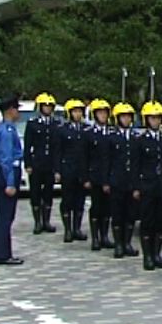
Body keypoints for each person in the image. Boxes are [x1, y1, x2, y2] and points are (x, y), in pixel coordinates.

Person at [135, 100, 162, 271]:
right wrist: (136, 187)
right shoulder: (140, 140)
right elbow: (136, 166)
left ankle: (157, 253)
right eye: (152, 118)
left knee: (161, 221)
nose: (155, 121)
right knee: (148, 222)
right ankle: (148, 255)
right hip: (147, 185)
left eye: (158, 118)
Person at [0, 96, 24, 265]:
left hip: (7, 174)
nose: (18, 112)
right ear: (10, 110)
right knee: (5, 217)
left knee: (5, 216)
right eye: (17, 109)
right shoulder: (6, 131)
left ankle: (2, 251)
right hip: (7, 175)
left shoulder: (4, 129)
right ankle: (2, 254)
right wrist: (10, 182)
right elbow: (6, 159)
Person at [108, 102, 141, 259]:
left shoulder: (136, 137)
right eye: (123, 117)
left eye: (128, 117)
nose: (126, 119)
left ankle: (127, 242)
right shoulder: (111, 137)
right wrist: (106, 181)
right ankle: (118, 244)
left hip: (132, 180)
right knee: (117, 213)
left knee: (131, 213)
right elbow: (106, 161)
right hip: (116, 180)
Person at [53, 99, 89, 242]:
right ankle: (68, 229)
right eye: (75, 111)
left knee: (80, 201)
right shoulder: (62, 130)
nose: (77, 114)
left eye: (80, 111)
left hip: (82, 170)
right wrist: (57, 170)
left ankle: (77, 228)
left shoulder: (86, 129)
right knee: (67, 200)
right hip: (68, 169)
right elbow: (57, 151)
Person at [23, 92, 58, 235]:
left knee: (48, 193)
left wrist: (57, 167)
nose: (47, 109)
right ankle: (37, 222)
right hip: (37, 162)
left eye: (50, 107)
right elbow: (27, 145)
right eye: (45, 106)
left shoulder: (56, 124)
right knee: (35, 193)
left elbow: (57, 147)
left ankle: (46, 221)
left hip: (50, 164)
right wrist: (28, 164)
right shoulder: (32, 123)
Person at [84, 99, 114, 251]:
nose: (103, 115)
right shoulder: (89, 134)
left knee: (107, 208)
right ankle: (95, 237)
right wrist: (86, 178)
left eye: (105, 113)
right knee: (96, 207)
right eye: (99, 113)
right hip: (94, 176)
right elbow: (84, 157)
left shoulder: (112, 132)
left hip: (109, 176)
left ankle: (104, 236)